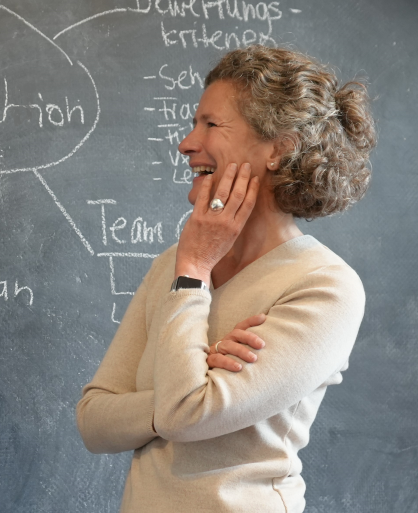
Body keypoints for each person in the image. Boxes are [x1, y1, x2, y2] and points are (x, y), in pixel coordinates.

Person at [76, 45, 376, 512]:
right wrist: (193, 377)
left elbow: (187, 416)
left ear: (280, 148)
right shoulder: (171, 264)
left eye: (210, 125)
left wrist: (194, 277)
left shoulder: (325, 287)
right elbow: (94, 421)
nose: (186, 143)